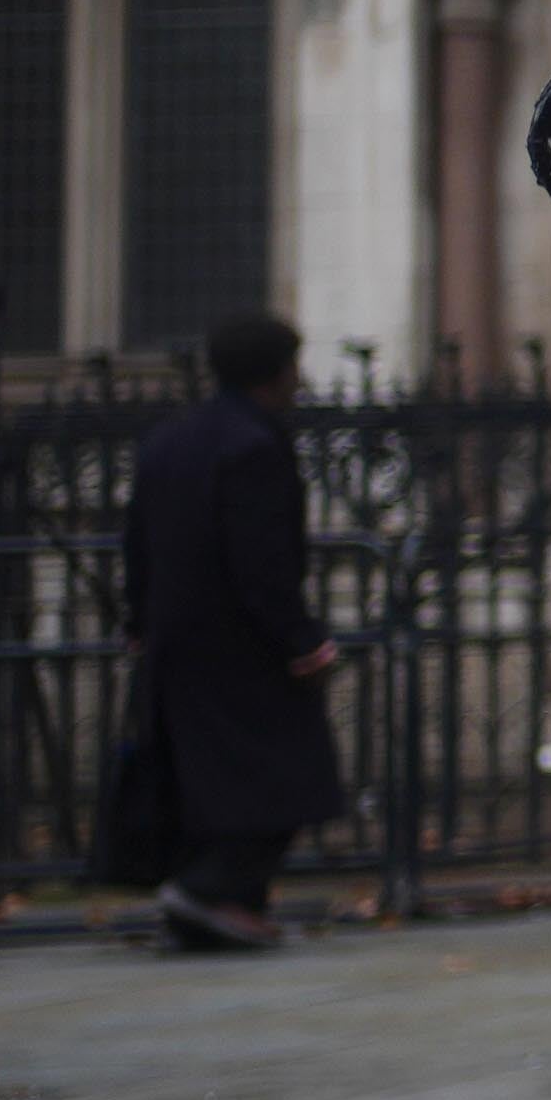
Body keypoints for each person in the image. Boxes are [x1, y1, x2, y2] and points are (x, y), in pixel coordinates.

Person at [118, 311, 348, 952]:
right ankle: (208, 888)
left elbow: (137, 541)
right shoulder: (253, 444)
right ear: (278, 374)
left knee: (208, 780)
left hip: (177, 639)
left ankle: (224, 909)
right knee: (289, 773)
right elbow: (261, 559)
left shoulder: (168, 440)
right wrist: (301, 640)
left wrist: (138, 620)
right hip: (241, 643)